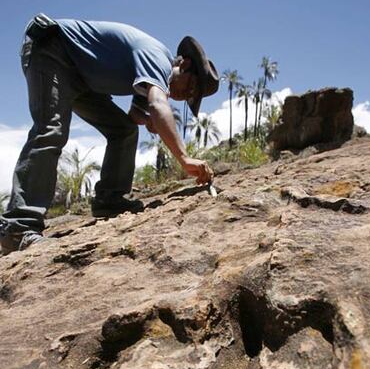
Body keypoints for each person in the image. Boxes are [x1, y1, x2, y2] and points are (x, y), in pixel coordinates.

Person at [0, 14, 219, 255]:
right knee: (50, 130)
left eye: (190, 96)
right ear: (184, 64)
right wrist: (184, 158)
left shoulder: (151, 74)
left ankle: (110, 200)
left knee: (123, 130)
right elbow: (158, 105)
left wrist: (149, 121)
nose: (185, 95)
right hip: (53, 50)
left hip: (81, 77)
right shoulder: (158, 59)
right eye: (190, 87)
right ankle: (18, 227)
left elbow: (136, 115)